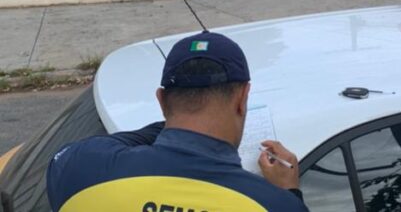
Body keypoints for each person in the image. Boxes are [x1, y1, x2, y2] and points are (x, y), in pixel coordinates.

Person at [46, 31, 308, 212]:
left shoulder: (80, 169)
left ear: (161, 101)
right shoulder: (275, 205)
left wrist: (171, 125)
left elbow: (89, 149)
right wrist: (290, 191)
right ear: (242, 98)